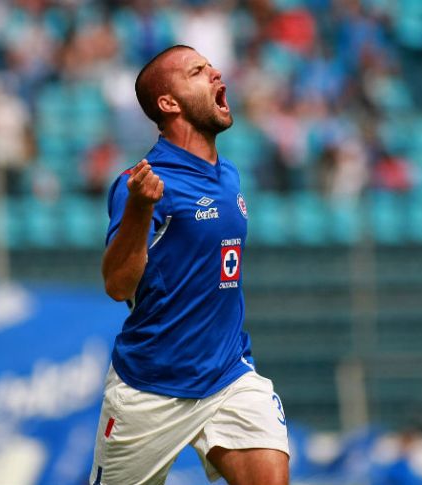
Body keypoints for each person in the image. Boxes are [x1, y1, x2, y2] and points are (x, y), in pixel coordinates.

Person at [89, 45, 290, 485]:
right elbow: (117, 286)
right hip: (151, 386)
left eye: (212, 66)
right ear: (169, 103)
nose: (216, 73)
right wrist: (141, 210)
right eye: (198, 71)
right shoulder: (139, 183)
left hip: (229, 373)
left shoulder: (228, 174)